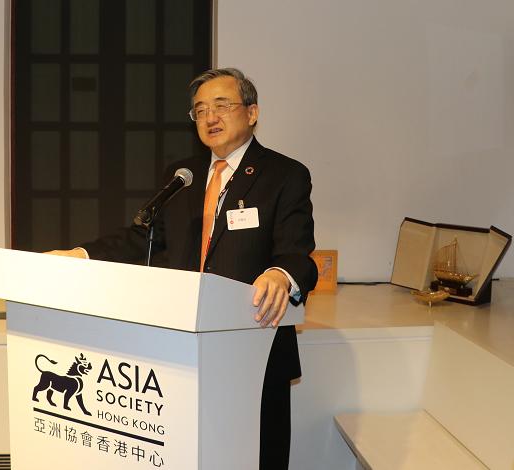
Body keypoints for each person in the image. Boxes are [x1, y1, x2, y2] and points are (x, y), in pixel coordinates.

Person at [48, 68, 317, 469]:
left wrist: (281, 275)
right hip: (183, 349)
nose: (210, 117)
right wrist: (82, 254)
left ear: (252, 112)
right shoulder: (183, 177)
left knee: (258, 456)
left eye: (221, 105)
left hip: (254, 348)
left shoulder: (284, 174)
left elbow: (298, 253)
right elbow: (144, 239)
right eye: (200, 110)